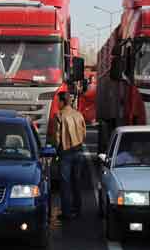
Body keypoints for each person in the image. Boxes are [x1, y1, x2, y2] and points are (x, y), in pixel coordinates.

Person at [51, 92, 86, 220]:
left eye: (57, 101)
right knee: (77, 181)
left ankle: (66, 212)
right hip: (79, 150)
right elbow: (83, 133)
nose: (56, 104)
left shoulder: (59, 116)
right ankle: (78, 209)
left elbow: (57, 138)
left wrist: (55, 151)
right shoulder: (78, 115)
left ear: (62, 102)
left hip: (65, 153)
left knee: (65, 184)